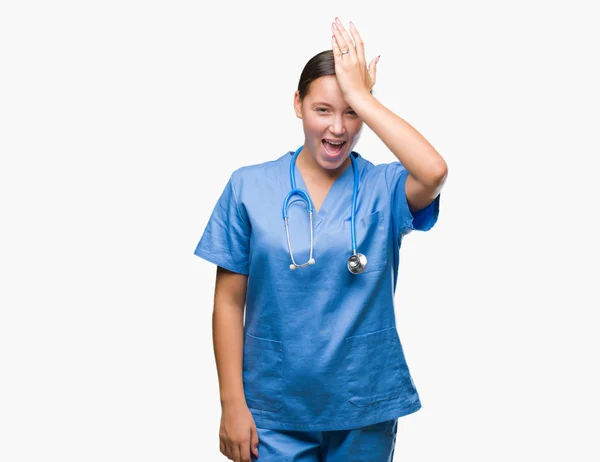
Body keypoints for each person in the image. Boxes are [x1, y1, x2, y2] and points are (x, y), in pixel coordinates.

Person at [193, 17, 447, 462]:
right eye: (323, 110)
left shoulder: (383, 187)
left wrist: (363, 97)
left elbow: (434, 171)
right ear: (297, 104)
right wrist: (231, 403)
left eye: (350, 113)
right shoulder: (248, 186)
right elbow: (229, 302)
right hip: (273, 408)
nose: (338, 129)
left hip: (363, 404)